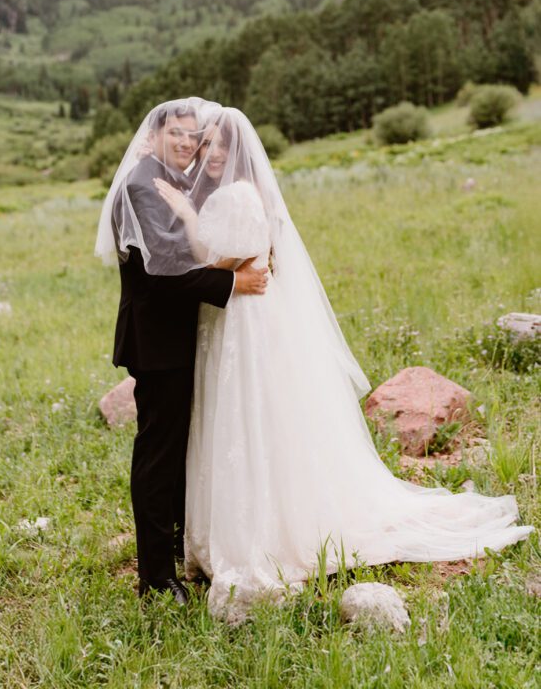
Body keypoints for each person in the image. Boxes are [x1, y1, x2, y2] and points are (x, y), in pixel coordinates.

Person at [152, 101, 535, 622]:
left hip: (244, 324)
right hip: (226, 323)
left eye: (220, 144)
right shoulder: (225, 193)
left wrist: (188, 216)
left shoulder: (238, 196)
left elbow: (224, 261)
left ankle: (267, 533)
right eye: (205, 144)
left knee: (250, 419)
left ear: (237, 148)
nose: (210, 152)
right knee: (232, 424)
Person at [94, 98, 268, 605]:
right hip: (158, 341)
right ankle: (154, 577)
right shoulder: (142, 185)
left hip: (176, 337)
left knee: (175, 454)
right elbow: (164, 272)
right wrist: (233, 281)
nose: (188, 142)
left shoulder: (169, 180)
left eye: (195, 135)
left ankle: (175, 550)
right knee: (157, 457)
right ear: (154, 135)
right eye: (178, 133)